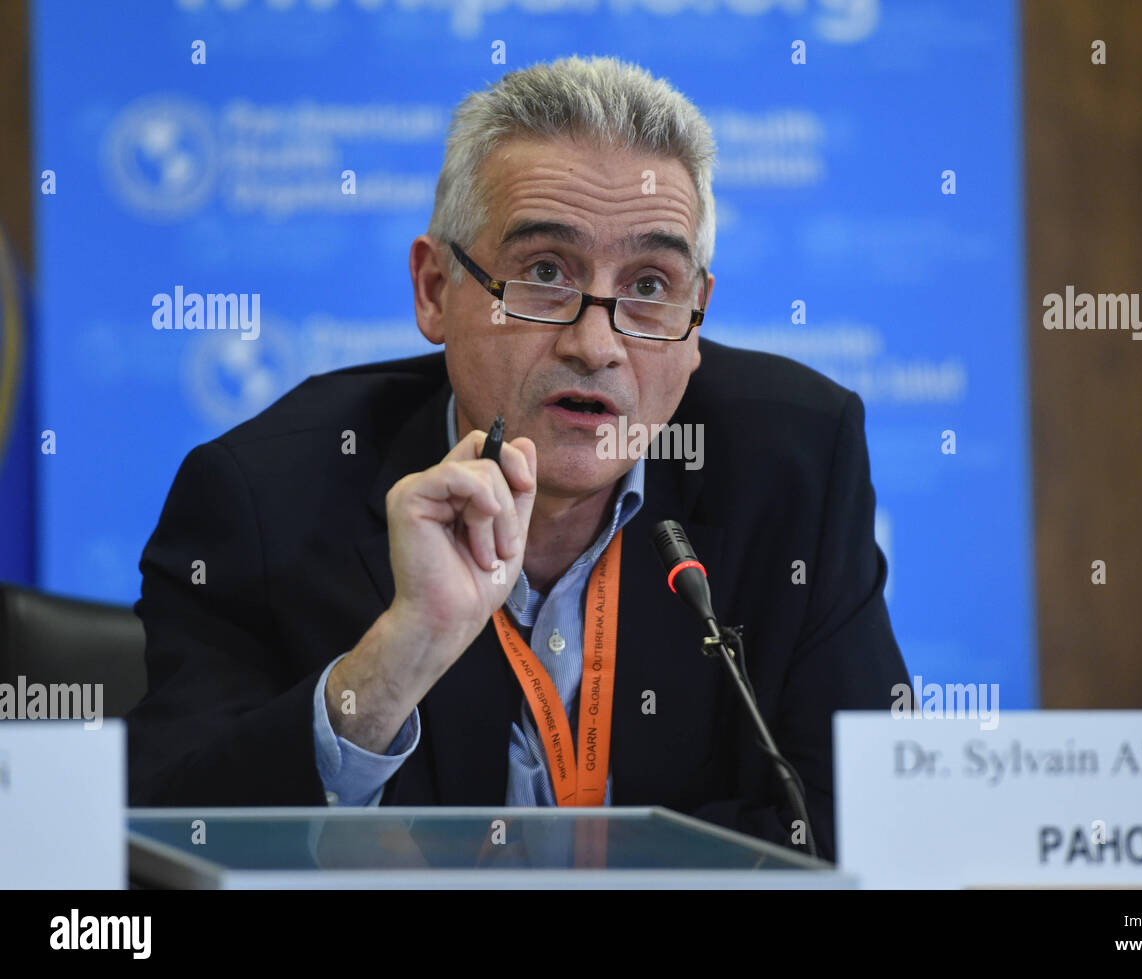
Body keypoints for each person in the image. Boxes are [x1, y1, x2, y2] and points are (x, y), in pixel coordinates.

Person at [126, 55, 908, 862]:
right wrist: (397, 658)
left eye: (649, 285)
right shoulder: (264, 498)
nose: (596, 344)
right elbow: (162, 841)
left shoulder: (797, 467)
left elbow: (866, 821)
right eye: (544, 273)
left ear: (697, 317)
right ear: (435, 289)